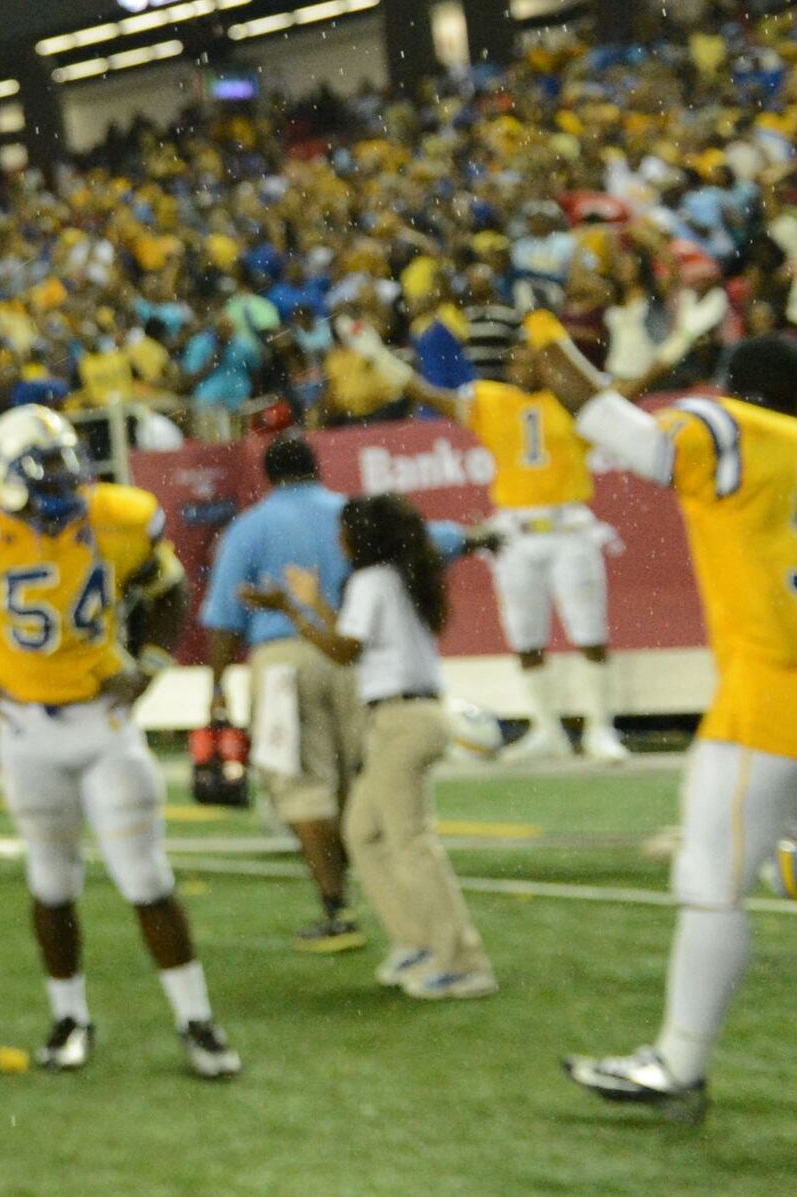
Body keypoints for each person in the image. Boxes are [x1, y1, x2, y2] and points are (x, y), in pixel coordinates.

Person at [0, 407, 240, 1081]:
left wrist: (151, 665)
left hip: (101, 722)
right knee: (52, 885)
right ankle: (70, 1017)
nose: (62, 484)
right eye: (43, 471)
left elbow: (168, 592)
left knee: (147, 878)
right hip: (24, 726)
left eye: (64, 467)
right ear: (5, 478)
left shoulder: (117, 516)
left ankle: (197, 1020)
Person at [549, 334, 797, 1120]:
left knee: (710, 884)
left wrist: (541, 346)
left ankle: (679, 1064)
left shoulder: (734, 429)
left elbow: (631, 439)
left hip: (769, 697)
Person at [279, 499, 494, 999]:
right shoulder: (394, 578)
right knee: (364, 830)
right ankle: (418, 942)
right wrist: (312, 604)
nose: (338, 541)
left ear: (361, 538)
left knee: (411, 843)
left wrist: (293, 610)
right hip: (410, 716)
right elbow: (357, 636)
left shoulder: (371, 580)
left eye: (344, 533)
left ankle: (461, 960)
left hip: (400, 721)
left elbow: (343, 651)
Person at [397, 341, 626, 762]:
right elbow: (433, 396)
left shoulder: (570, 404)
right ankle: (547, 729)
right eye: (516, 360)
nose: (519, 367)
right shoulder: (493, 400)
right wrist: (383, 362)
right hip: (515, 531)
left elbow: (621, 402)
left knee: (589, 631)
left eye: (529, 360)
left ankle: (600, 728)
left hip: (567, 526)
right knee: (525, 635)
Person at [195, 435, 367, 951]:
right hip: (352, 653)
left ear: (267, 476)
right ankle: (368, 888)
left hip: (282, 660)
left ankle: (337, 908)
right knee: (352, 779)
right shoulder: (350, 514)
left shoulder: (249, 528)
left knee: (300, 785)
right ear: (317, 468)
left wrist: (218, 686)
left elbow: (224, 618)